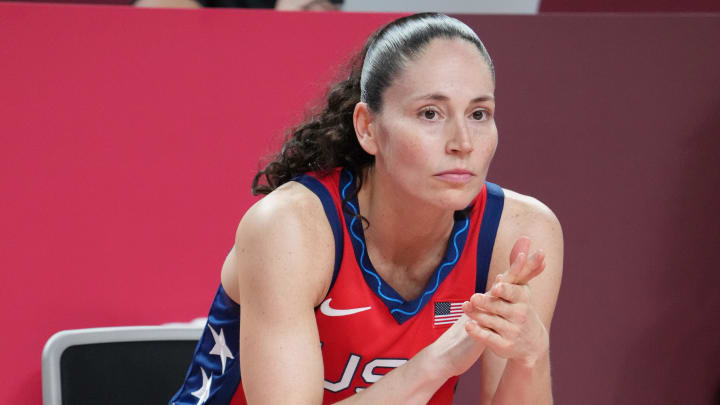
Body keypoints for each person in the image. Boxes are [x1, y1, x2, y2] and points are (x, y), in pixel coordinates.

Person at [170, 12, 563, 405]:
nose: (463, 142)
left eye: (479, 114)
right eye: (430, 113)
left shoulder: (518, 234)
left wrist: (530, 355)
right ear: (367, 128)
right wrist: (436, 363)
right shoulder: (288, 229)